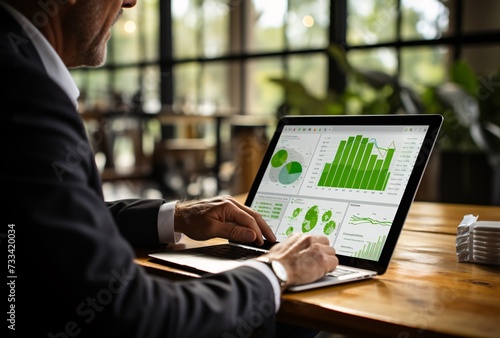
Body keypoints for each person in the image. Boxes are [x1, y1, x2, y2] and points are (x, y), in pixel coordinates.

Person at [0, 1, 339, 337]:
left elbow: (49, 221)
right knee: (293, 321)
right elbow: (130, 315)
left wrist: (176, 216)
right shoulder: (24, 91)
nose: (131, 1)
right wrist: (276, 269)